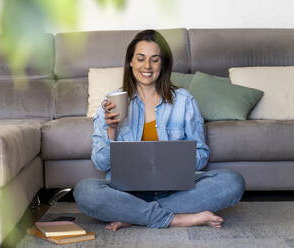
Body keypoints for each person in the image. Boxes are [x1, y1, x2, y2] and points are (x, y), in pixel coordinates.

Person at [73, 29, 245, 231]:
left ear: (163, 64)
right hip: (128, 192)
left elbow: (202, 155)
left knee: (233, 181)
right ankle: (177, 219)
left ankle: (134, 215)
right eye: (141, 58)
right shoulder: (111, 102)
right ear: (131, 62)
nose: (147, 66)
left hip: (175, 190)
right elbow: (100, 163)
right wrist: (111, 131)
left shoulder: (183, 100)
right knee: (85, 191)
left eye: (154, 59)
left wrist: (175, 158)